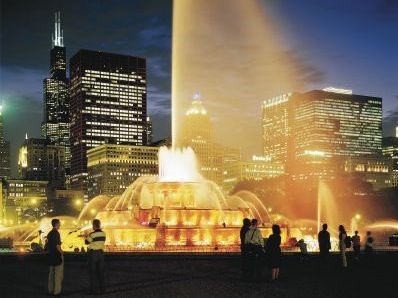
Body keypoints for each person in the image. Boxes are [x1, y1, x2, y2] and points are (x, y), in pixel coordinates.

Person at [85, 219, 106, 295]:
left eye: (92, 225)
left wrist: (87, 236)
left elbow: (86, 242)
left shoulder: (92, 234)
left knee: (93, 272)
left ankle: (94, 290)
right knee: (101, 272)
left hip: (93, 254)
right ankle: (102, 290)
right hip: (101, 254)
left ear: (94, 225)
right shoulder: (103, 233)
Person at [46, 218, 64, 296]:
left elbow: (47, 244)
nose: (60, 224)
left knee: (51, 274)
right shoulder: (56, 233)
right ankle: (57, 292)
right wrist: (62, 252)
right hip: (56, 256)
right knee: (58, 275)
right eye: (59, 223)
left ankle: (50, 290)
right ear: (56, 224)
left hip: (50, 256)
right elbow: (57, 246)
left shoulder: (49, 233)